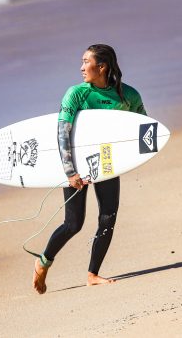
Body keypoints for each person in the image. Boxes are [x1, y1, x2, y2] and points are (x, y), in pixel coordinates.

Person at [32, 44, 147, 294]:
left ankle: (93, 274)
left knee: (108, 217)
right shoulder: (76, 94)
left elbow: (143, 129)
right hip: (75, 165)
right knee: (74, 223)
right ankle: (43, 263)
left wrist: (128, 158)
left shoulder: (129, 96)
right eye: (82, 62)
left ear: (102, 67)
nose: (81, 67)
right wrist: (70, 172)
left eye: (86, 62)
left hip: (106, 162)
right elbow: (62, 133)